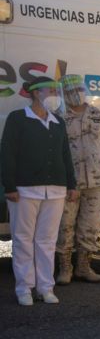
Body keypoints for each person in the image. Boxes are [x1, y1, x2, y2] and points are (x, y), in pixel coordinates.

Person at [1, 77, 78, 306]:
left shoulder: (58, 122)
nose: (55, 93)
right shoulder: (18, 119)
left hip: (55, 190)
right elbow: (7, 153)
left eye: (56, 90)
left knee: (47, 240)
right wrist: (10, 186)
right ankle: (24, 288)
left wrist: (71, 185)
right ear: (35, 93)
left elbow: (65, 155)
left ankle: (46, 287)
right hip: (24, 190)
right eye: (51, 90)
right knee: (23, 239)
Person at [55, 74, 100, 285]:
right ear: (64, 93)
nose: (75, 94)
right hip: (69, 182)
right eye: (70, 91)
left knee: (92, 225)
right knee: (65, 225)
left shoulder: (97, 115)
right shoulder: (58, 116)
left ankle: (84, 267)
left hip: (95, 181)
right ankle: (65, 268)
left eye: (78, 89)